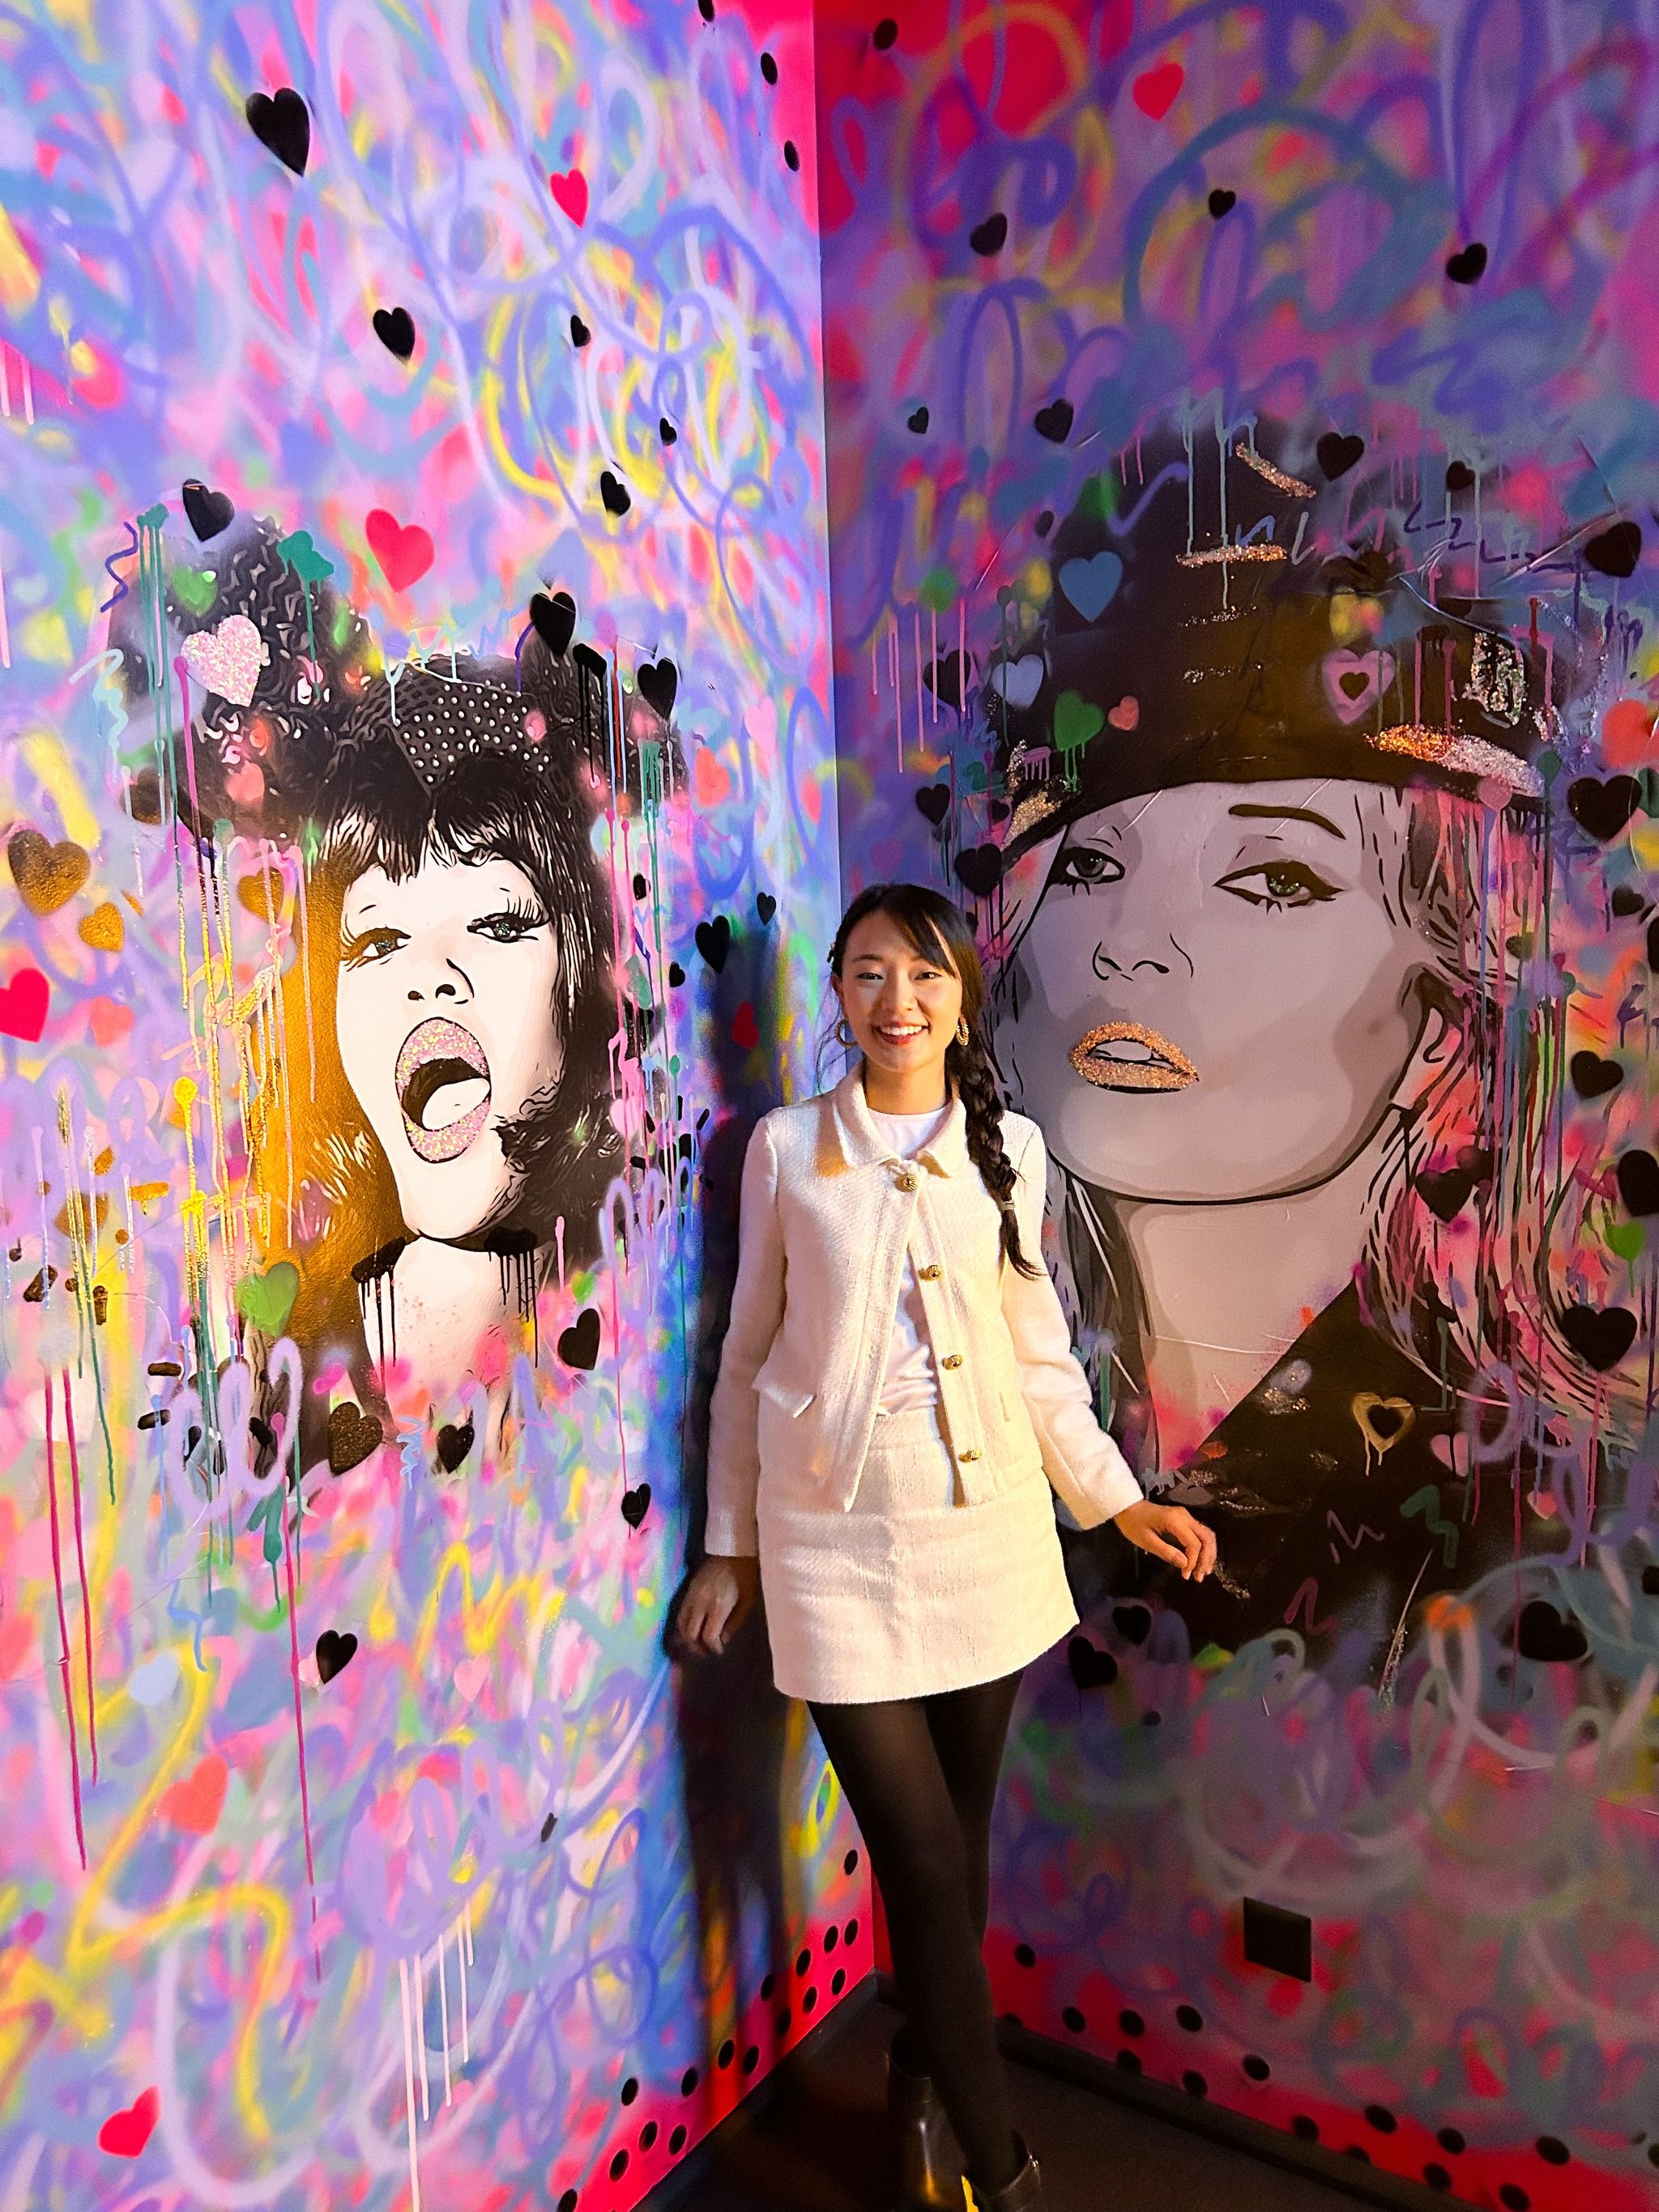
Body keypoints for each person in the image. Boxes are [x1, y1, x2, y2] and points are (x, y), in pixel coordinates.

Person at [984, 416, 1623, 1686]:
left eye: (1273, 880)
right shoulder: (977, 1411)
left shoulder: (1504, 1550)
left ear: (1440, 1017)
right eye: (1094, 866)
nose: (1132, 948)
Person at [673, 881, 1214, 2211]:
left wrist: (1112, 1497)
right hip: (832, 1546)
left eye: (922, 973)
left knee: (956, 1853)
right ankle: (1002, 2169)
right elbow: (743, 1356)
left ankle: (918, 2070)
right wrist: (730, 1547)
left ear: (960, 993)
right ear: (837, 993)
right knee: (915, 1855)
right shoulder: (786, 1149)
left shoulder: (1008, 1147)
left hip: (987, 1536)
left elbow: (1040, 1357)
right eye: (868, 972)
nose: (896, 1000)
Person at [116, 511, 671, 1465]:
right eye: (376, 938)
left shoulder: (621, 1309)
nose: (428, 975)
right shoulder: (282, 1362)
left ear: (577, 985)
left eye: (496, 923)